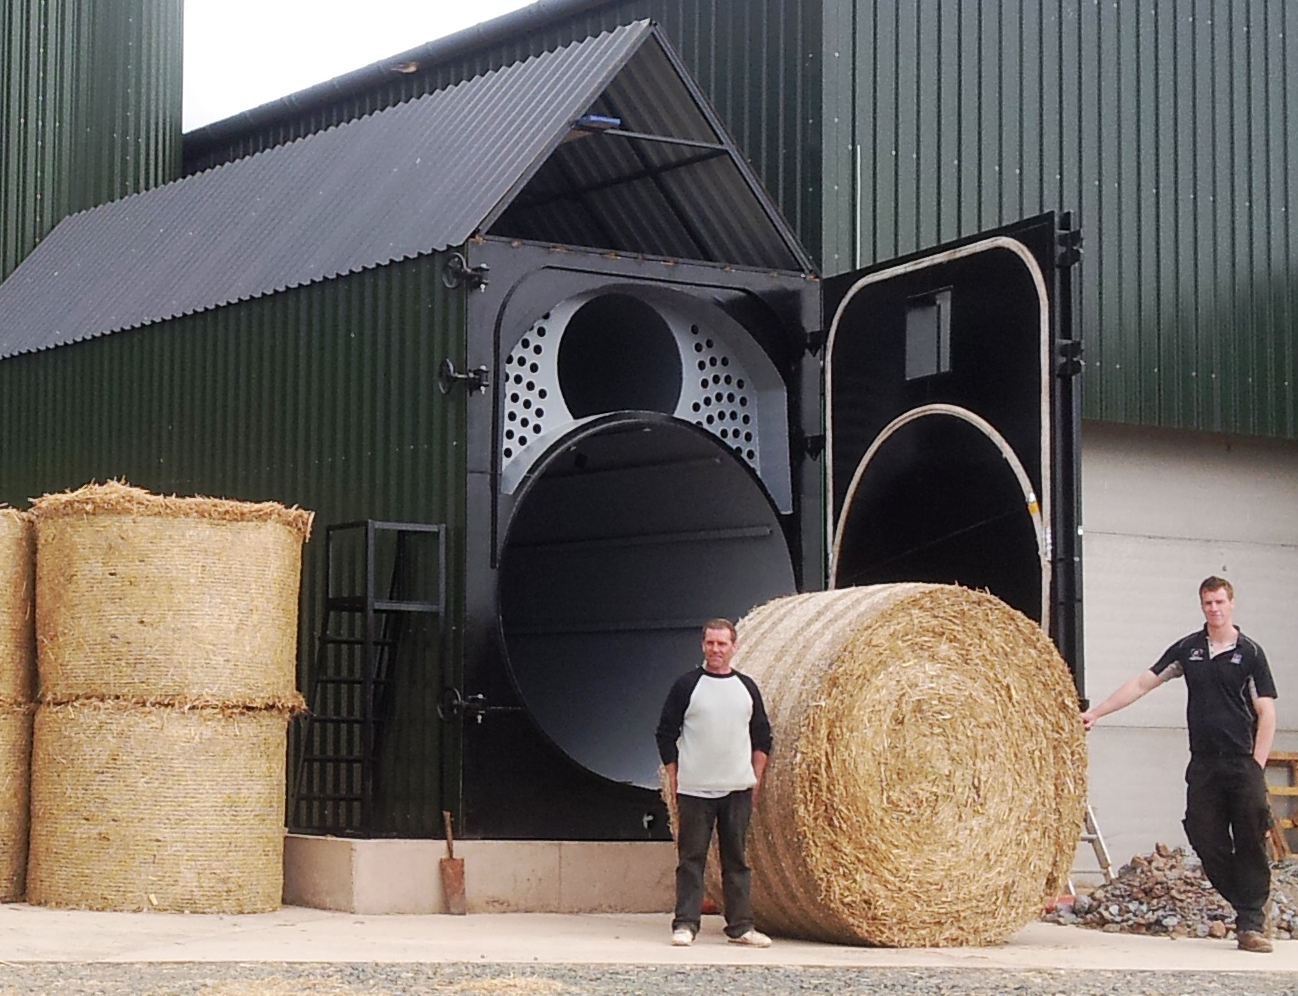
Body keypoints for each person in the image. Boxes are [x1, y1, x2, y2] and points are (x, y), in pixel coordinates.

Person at [1082, 576, 1278, 953]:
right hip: (1204, 763)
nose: (1214, 609)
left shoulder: (1250, 653)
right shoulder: (1189, 650)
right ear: (1201, 605)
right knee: (1204, 835)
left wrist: (1257, 765)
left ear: (1231, 604)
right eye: (1207, 603)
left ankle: (1250, 923)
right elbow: (1143, 683)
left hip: (1242, 763)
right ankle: (1249, 900)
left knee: (1250, 836)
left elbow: (1266, 713)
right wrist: (1097, 713)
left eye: (1220, 602)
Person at [655, 618, 773, 948]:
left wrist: (755, 777)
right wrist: (675, 775)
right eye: (710, 643)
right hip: (695, 789)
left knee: (736, 859)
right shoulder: (687, 686)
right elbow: (665, 732)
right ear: (702, 645)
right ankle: (685, 924)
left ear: (734, 647)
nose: (716, 649)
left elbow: (762, 735)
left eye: (722, 644)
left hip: (736, 789)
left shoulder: (747, 688)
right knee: (691, 859)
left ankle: (740, 926)